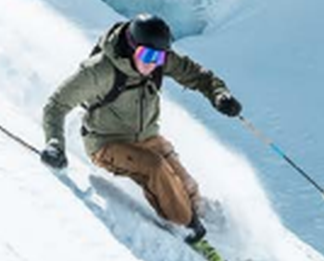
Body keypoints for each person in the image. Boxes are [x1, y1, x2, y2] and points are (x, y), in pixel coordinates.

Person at [40, 13, 241, 243]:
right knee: (154, 166)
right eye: (147, 55)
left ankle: (203, 217)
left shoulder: (157, 61)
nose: (153, 62)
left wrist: (219, 94)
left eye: (159, 56)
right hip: (106, 144)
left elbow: (197, 75)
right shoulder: (100, 71)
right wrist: (54, 142)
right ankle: (187, 227)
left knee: (185, 186)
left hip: (147, 138)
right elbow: (56, 104)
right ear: (131, 47)